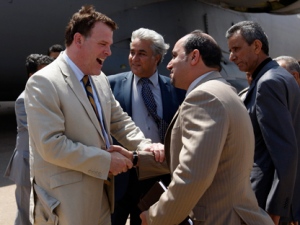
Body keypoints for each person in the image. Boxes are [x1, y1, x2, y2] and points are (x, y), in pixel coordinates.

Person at [24, 5, 163, 225]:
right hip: (67, 203)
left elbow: (119, 121)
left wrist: (145, 145)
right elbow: (51, 144)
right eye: (103, 44)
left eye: (109, 45)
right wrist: (106, 161)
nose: (109, 51)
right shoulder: (44, 82)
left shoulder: (99, 79)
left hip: (101, 196)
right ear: (78, 40)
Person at [136, 30, 273, 224]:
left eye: (175, 56)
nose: (168, 64)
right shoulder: (223, 91)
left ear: (194, 56)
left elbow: (193, 174)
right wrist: (136, 160)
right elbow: (207, 158)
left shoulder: (204, 98)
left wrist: (155, 217)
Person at [108, 28, 185, 225]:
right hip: (121, 176)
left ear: (157, 57)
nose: (134, 58)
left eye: (141, 53)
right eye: (132, 52)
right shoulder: (110, 85)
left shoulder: (175, 89)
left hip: (157, 175)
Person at [226, 21, 300, 225]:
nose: (232, 57)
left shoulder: (268, 83)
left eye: (236, 49)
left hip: (266, 202)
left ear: (257, 46)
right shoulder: (280, 76)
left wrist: (275, 211)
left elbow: (285, 151)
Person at [4, 54, 54, 225]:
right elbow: (41, 129)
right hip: (26, 163)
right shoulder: (23, 100)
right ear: (31, 76)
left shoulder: (44, 96)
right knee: (25, 212)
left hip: (40, 162)